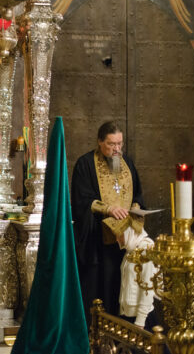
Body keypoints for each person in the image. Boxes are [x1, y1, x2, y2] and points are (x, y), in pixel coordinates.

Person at [71, 121, 144, 326]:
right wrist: (108, 209)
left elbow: (138, 193)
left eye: (120, 144)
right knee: (101, 287)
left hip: (125, 239)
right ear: (100, 142)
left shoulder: (127, 163)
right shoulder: (85, 164)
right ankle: (97, 331)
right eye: (111, 144)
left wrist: (136, 207)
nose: (116, 149)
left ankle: (124, 329)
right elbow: (81, 200)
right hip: (98, 240)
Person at [117, 224, 156, 328]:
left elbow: (148, 288)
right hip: (127, 315)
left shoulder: (146, 249)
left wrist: (140, 321)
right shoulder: (130, 249)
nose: (117, 239)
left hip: (141, 319)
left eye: (120, 235)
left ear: (129, 232)